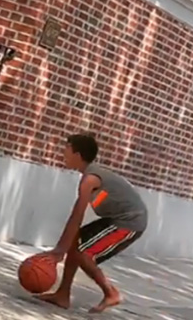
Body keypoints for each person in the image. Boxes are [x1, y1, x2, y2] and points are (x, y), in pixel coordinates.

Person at [39, 133, 148, 313]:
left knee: (84, 254)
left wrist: (59, 251)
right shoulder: (89, 176)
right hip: (116, 219)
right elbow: (76, 216)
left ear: (78, 155)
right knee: (76, 243)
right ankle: (62, 295)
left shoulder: (89, 179)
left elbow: (77, 216)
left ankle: (111, 293)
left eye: (67, 150)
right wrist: (62, 248)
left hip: (131, 222)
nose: (63, 154)